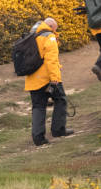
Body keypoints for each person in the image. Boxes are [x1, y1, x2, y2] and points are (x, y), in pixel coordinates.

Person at [24, 17, 73, 146]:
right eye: (55, 29)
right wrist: (55, 78)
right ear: (51, 26)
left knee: (38, 107)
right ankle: (58, 130)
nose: (56, 32)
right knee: (61, 100)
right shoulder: (49, 37)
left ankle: (38, 138)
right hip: (47, 78)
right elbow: (51, 60)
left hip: (33, 80)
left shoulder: (31, 36)